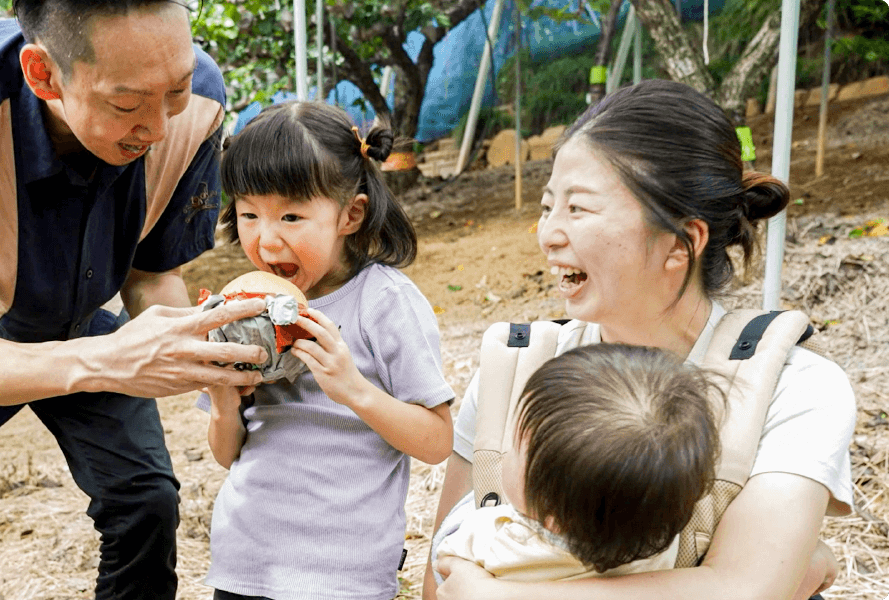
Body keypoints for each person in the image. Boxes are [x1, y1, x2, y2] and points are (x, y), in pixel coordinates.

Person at [0, 2, 271, 599]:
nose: (156, 129)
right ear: (43, 75)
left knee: (145, 503)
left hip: (85, 311)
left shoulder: (198, 102)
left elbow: (152, 275)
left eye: (174, 90)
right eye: (127, 105)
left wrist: (202, 357)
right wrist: (110, 361)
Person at [426, 79, 856, 600]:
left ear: (680, 243)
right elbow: (439, 584)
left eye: (578, 209)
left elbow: (747, 590)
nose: (548, 233)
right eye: (547, 207)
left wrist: (495, 595)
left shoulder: (794, 388)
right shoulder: (515, 367)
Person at [197, 101, 455, 600]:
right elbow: (227, 455)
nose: (266, 239)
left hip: (342, 577)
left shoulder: (383, 302)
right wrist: (224, 398)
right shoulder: (242, 308)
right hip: (245, 563)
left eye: (291, 215)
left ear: (350, 215)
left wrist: (354, 390)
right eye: (249, 214)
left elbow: (436, 441)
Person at [433, 343, 721, 583]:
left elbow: (443, 558)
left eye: (515, 446)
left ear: (553, 519)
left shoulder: (496, 542)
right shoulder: (657, 543)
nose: (505, 453)